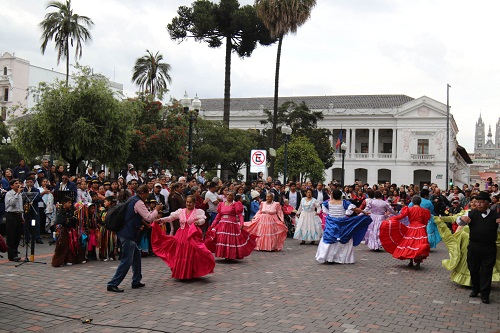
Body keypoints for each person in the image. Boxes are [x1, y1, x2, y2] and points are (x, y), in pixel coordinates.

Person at [107, 185, 162, 292]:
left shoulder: (132, 199)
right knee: (127, 260)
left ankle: (136, 280)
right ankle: (113, 283)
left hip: (125, 232)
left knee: (136, 256)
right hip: (127, 233)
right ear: (143, 193)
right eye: (147, 194)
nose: (147, 196)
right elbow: (149, 218)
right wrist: (156, 210)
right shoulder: (139, 203)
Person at [152, 195, 215, 279]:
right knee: (181, 253)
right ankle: (181, 272)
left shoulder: (198, 211)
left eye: (190, 202)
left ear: (194, 203)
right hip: (181, 235)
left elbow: (203, 220)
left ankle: (191, 273)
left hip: (192, 235)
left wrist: (198, 222)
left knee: (191, 253)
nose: (188, 204)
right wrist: (160, 220)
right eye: (187, 202)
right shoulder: (181, 211)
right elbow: (171, 218)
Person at [455, 191, 500, 304]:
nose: (478, 204)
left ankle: (485, 294)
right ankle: (476, 288)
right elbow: (459, 222)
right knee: (473, 269)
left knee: (486, 271)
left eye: (481, 202)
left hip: (489, 248)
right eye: (477, 202)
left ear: (488, 203)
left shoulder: (495, 215)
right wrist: (461, 220)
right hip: (474, 246)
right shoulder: (472, 213)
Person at [315, 189, 372, 264]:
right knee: (343, 238)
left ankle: (328, 256)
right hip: (342, 223)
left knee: (329, 238)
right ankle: (340, 257)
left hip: (331, 223)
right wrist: (364, 212)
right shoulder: (344, 202)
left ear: (332, 195)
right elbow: (355, 209)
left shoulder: (327, 203)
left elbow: (325, 211)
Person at [379, 196, 431, 269]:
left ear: (412, 202)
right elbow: (426, 220)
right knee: (419, 244)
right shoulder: (424, 211)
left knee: (410, 244)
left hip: (411, 227)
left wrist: (391, 219)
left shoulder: (409, 209)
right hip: (420, 228)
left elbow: (401, 216)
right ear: (420, 202)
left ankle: (411, 261)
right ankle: (418, 261)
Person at [205, 191, 256, 259]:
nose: (229, 196)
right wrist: (213, 225)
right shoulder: (221, 204)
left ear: (233, 197)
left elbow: (240, 215)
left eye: (231, 195)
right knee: (223, 239)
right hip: (222, 225)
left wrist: (241, 223)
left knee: (231, 240)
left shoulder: (236, 204)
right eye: (228, 195)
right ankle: (224, 254)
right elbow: (218, 215)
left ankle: (230, 255)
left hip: (232, 225)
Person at [4, 179, 24, 261]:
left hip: (18, 215)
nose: (18, 185)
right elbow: (12, 203)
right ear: (12, 186)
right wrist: (17, 193)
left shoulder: (20, 194)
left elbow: (20, 206)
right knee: (11, 235)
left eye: (18, 183)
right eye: (16, 183)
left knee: (17, 235)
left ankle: (15, 252)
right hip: (11, 215)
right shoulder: (9, 194)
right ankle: (11, 255)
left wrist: (22, 216)